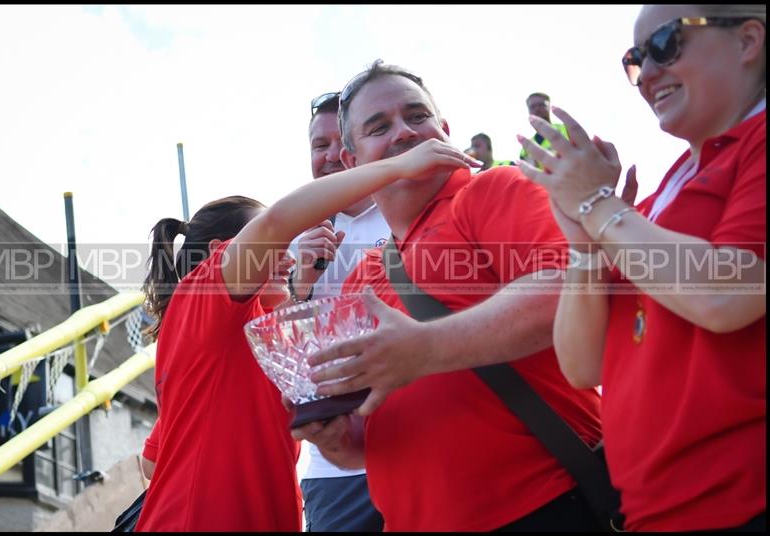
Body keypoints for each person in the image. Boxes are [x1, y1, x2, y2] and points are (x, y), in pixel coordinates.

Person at [293, 60, 604, 532]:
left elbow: (566, 292)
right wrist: (334, 436)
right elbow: (366, 437)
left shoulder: (493, 191)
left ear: (445, 130)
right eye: (379, 126)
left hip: (548, 505)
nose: (403, 132)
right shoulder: (363, 277)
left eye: (417, 116)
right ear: (352, 164)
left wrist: (427, 348)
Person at [134, 135, 478, 531]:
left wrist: (301, 288)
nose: (288, 252)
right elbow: (278, 221)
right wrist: (396, 167)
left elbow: (152, 459)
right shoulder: (202, 294)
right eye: (275, 246)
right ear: (219, 252)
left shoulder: (245, 330)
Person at [517, 4, 765, 531]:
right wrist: (583, 240)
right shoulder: (662, 194)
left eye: (665, 44)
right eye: (634, 59)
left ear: (747, 41)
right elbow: (584, 364)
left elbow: (729, 296)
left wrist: (598, 205)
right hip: (656, 509)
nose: (646, 75)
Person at [289, 91, 387, 532]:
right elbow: (276, 351)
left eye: (338, 142)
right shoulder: (289, 232)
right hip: (335, 471)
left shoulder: (404, 209)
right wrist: (299, 284)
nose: (330, 157)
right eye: (317, 146)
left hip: (419, 437)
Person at [518, 92, 569, 168]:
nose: (537, 109)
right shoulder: (527, 148)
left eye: (541, 105)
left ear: (549, 107)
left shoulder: (567, 130)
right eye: (532, 107)